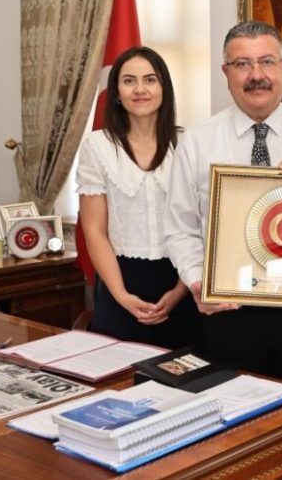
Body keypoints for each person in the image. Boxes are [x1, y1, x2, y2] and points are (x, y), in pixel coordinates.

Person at [164, 20, 282, 387]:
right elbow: (180, 227)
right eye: (242, 64)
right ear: (226, 72)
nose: (256, 75)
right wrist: (197, 280)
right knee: (233, 417)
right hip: (227, 311)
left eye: (267, 62)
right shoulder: (198, 141)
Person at [76, 46, 200, 349]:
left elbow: (202, 225)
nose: (140, 89)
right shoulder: (97, 146)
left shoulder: (189, 143)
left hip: (182, 280)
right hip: (120, 282)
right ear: (117, 90)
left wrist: (181, 290)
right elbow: (94, 230)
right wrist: (120, 296)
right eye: (129, 81)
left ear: (163, 88)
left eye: (150, 80)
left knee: (185, 385)